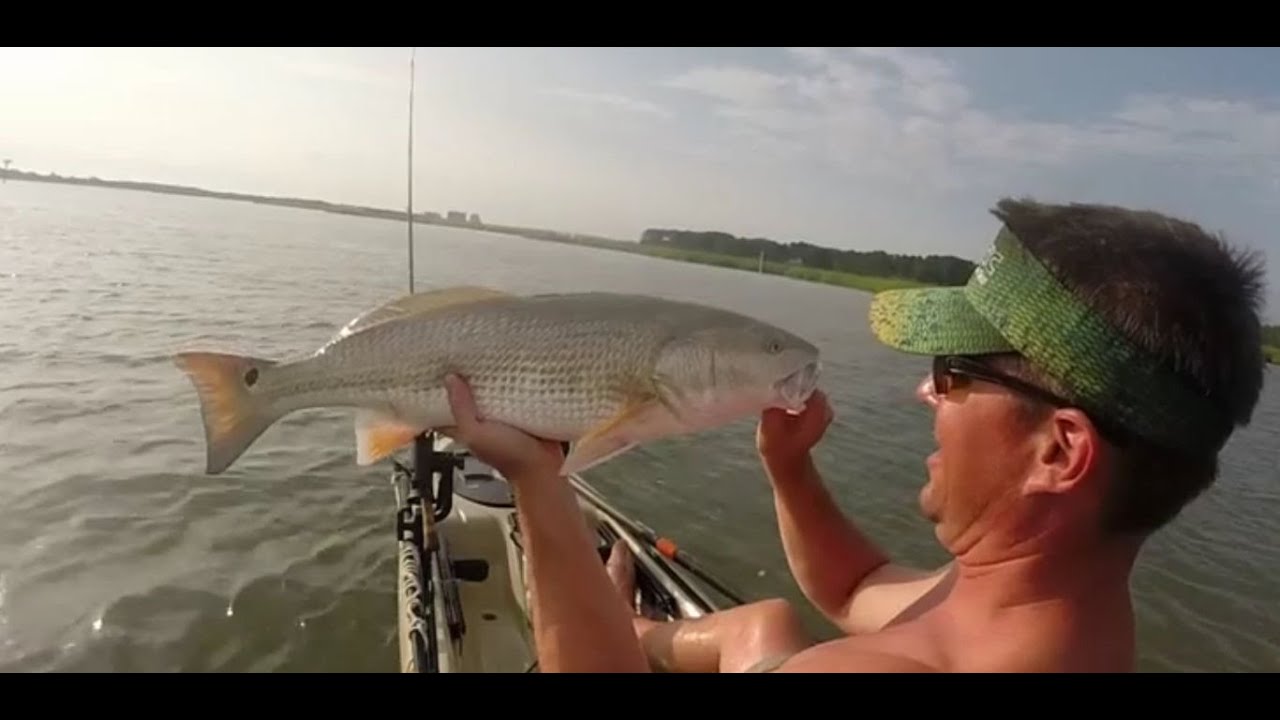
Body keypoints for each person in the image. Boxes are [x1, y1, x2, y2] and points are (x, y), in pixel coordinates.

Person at [437, 196, 1269, 673]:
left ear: (1059, 451)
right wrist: (790, 470)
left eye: (953, 373)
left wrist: (537, 481)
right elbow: (856, 587)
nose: (924, 391)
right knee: (767, 622)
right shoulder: (1056, 621)